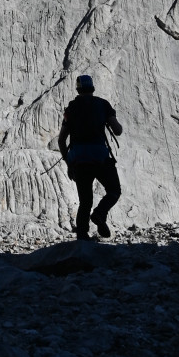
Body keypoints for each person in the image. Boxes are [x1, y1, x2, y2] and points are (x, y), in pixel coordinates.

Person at [59, 73, 122, 239]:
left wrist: (69, 163)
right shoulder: (103, 105)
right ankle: (100, 214)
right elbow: (118, 130)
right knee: (114, 190)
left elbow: (61, 140)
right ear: (92, 87)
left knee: (85, 201)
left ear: (78, 89)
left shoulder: (71, 109)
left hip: (79, 159)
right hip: (99, 155)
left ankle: (82, 236)